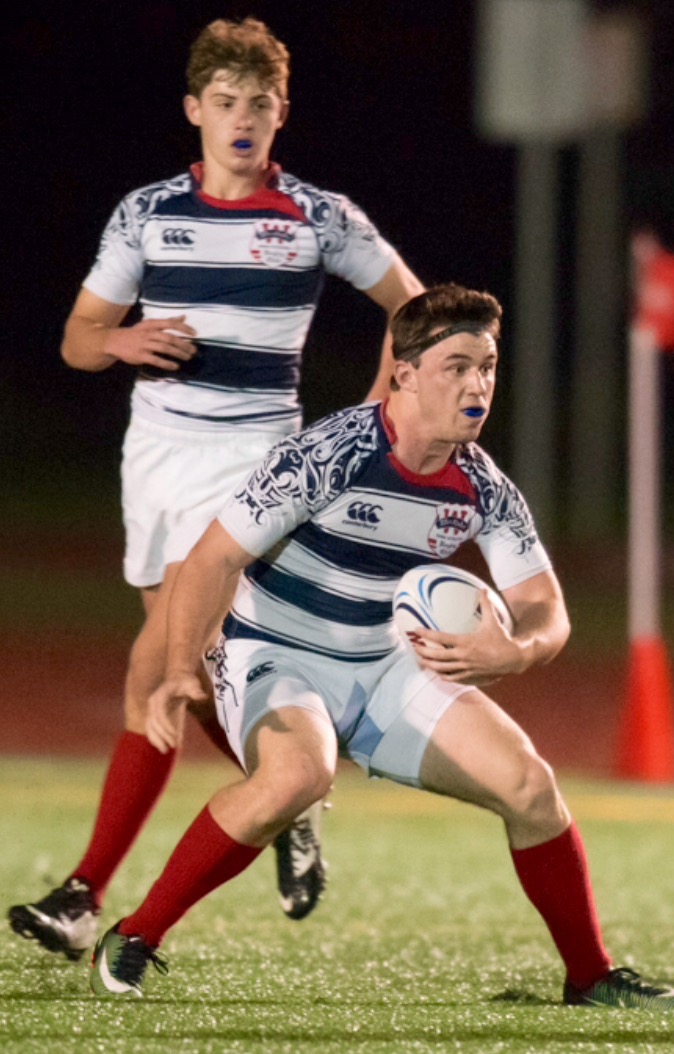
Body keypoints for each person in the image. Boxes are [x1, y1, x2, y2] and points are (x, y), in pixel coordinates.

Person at [87, 284, 674, 1011]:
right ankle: (137, 933)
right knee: (294, 779)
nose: (478, 385)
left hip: (384, 666)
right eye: (457, 366)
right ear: (404, 372)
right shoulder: (329, 454)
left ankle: (589, 977)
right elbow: (212, 559)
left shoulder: (481, 486)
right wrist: (179, 671)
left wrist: (519, 652)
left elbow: (544, 606)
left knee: (532, 789)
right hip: (275, 652)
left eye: (489, 367)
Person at [9, 16, 425, 961]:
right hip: (154, 462)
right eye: (226, 103)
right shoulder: (147, 212)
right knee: (193, 687)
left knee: (154, 667)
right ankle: (290, 796)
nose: (243, 120)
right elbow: (78, 339)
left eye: (261, 106)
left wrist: (372, 412)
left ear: (283, 115)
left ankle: (83, 897)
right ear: (194, 109)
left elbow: (415, 309)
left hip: (255, 468)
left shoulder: (318, 215)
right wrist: (119, 342)